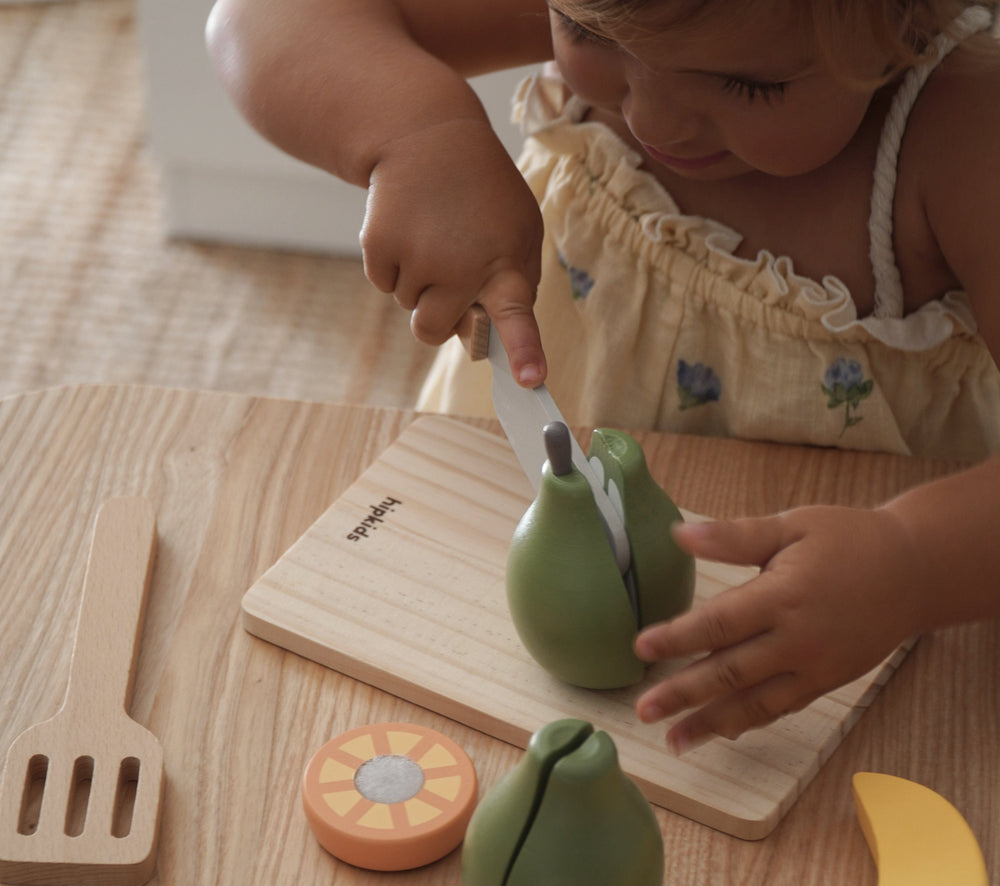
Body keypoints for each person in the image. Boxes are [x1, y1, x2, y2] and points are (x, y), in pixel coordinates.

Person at [206, 0, 1000, 754]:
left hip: (872, 639)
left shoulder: (969, 131)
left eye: (747, 84)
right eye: (588, 34)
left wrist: (913, 562)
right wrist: (414, 135)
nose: (651, 119)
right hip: (494, 501)